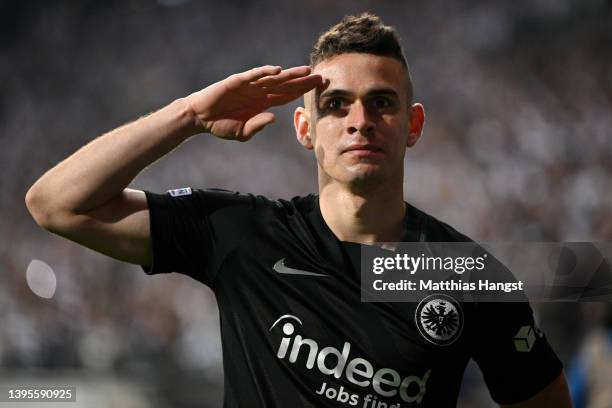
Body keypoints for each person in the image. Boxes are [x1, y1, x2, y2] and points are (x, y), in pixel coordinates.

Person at [26, 12, 572, 407]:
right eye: (336, 105)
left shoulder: (464, 273)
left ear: (414, 125)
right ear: (305, 128)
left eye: (381, 102)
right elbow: (57, 204)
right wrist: (189, 114)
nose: (360, 120)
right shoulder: (243, 235)